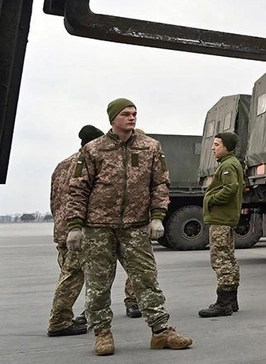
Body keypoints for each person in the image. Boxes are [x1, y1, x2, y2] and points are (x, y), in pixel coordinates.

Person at [65, 98, 192, 356]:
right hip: (99, 226)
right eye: (126, 114)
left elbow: (160, 183)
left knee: (146, 279)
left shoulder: (150, 147)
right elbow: (78, 188)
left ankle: (161, 331)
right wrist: (75, 225)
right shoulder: (93, 150)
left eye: (134, 113)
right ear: (113, 119)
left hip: (135, 226)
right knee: (99, 282)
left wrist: (157, 216)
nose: (132, 117)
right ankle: (102, 333)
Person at [47, 125, 103, 337]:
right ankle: (59, 321)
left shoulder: (62, 165)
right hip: (79, 230)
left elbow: (54, 200)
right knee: (73, 276)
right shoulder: (89, 165)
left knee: (69, 272)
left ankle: (86, 313)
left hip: (62, 229)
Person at [199, 132, 244, 318]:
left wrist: (211, 200)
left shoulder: (228, 165)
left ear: (226, 147)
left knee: (220, 258)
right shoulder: (231, 163)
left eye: (216, 144)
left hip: (221, 219)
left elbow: (230, 188)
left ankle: (223, 303)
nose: (213, 148)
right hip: (225, 219)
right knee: (228, 257)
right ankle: (231, 300)